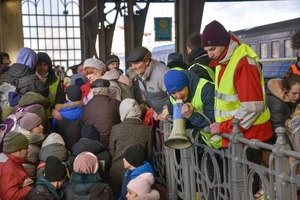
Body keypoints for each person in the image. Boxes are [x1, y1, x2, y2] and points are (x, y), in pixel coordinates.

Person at [201, 20, 273, 194]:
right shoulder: (224, 60)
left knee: (248, 189)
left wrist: (223, 127)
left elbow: (252, 107)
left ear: (224, 44)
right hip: (238, 135)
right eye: (207, 51)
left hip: (249, 137)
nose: (209, 55)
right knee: (242, 187)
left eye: (212, 49)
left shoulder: (241, 62)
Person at [163, 69, 220, 148]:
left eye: (180, 90)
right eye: (173, 93)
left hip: (225, 143)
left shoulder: (206, 90)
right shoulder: (172, 98)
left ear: (187, 84)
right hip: (207, 143)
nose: (178, 96)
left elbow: (214, 124)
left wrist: (191, 116)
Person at [109, 98, 153, 197]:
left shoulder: (116, 129)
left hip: (117, 172)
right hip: (138, 174)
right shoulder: (147, 130)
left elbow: (112, 151)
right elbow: (149, 154)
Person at [127, 46, 171, 121]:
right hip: (163, 119)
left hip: (175, 119)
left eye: (136, 63)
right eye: (132, 64)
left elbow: (178, 96)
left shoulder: (162, 73)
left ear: (147, 61)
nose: (133, 67)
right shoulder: (140, 76)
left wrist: (169, 109)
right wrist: (156, 110)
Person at [81, 79, 120, 147]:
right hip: (113, 143)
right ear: (108, 91)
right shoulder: (116, 103)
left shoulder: (86, 107)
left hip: (95, 145)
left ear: (93, 92)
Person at [266, 71, 300, 143]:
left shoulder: (292, 99)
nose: (297, 97)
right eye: (294, 93)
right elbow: (279, 131)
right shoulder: (277, 104)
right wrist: (291, 153)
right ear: (285, 89)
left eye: (299, 93)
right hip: (280, 142)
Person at [35, 52, 66, 128]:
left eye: (45, 65)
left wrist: (53, 109)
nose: (42, 67)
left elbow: (60, 98)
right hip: (35, 118)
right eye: (39, 64)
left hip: (51, 117)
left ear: (49, 66)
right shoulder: (31, 79)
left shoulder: (55, 80)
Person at [0, 131, 33, 199]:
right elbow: (11, 197)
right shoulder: (9, 169)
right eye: (26, 148)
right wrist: (29, 189)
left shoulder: (5, 158)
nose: (29, 150)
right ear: (16, 151)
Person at [14, 112, 45, 181]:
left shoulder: (22, 138)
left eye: (41, 124)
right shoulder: (29, 149)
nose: (42, 127)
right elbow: (29, 173)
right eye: (37, 125)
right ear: (28, 129)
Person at [53, 84, 83, 150]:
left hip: (63, 146)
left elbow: (54, 130)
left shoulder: (58, 113)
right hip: (79, 146)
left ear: (67, 96)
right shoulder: (85, 111)